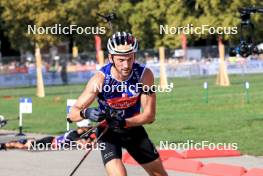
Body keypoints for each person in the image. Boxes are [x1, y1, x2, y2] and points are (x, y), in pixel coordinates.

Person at [68, 32, 168, 176]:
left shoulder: (144, 75)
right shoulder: (100, 80)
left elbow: (149, 116)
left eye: (130, 58)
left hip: (133, 129)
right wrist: (86, 113)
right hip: (108, 132)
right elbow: (72, 113)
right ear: (111, 58)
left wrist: (123, 122)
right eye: (121, 60)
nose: (126, 65)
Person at [0, 119, 96, 151]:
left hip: (51, 142)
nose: (90, 128)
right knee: (25, 146)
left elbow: (87, 142)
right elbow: (83, 145)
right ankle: (4, 145)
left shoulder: (82, 134)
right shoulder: (73, 134)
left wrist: (93, 139)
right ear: (82, 127)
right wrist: (92, 141)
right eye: (88, 127)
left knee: (26, 145)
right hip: (49, 142)